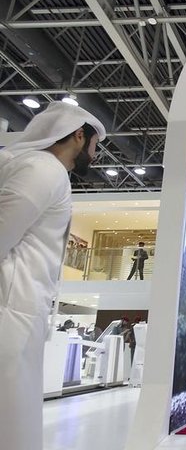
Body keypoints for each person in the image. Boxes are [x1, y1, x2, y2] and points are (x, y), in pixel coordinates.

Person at [0, 101, 105, 450]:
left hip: (20, 310)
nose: (96, 155)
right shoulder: (43, 170)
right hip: (10, 310)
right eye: (94, 145)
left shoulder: (48, 172)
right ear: (78, 136)